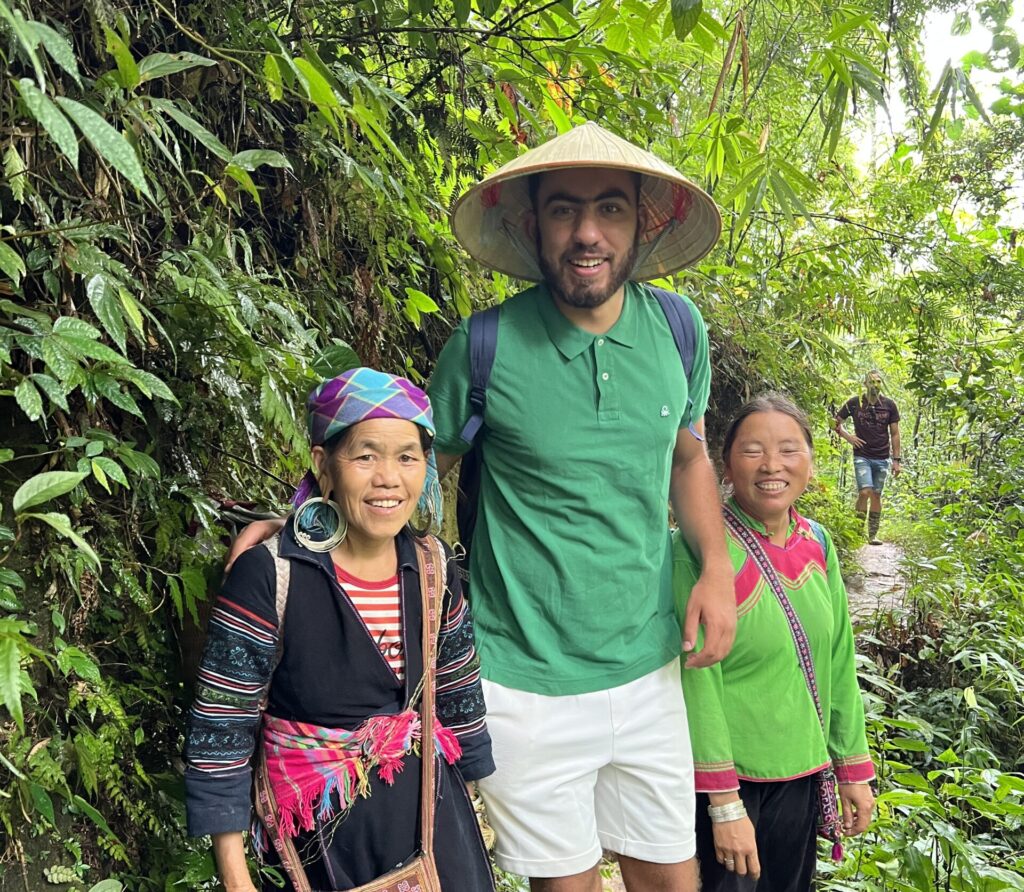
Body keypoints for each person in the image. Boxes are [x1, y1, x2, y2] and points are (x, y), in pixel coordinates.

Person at [231, 121, 737, 891]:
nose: (589, 233)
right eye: (565, 210)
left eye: (611, 209)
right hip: (519, 676)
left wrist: (716, 569)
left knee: (672, 878)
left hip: (649, 667)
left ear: (645, 222)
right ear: (532, 225)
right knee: (563, 883)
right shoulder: (484, 346)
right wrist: (301, 526)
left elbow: (690, 453)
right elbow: (407, 472)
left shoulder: (678, 330)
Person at [184, 368, 495, 891]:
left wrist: (485, 818)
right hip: (320, 843)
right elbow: (221, 732)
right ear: (323, 465)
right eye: (365, 455)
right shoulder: (272, 575)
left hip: (434, 828)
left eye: (407, 457)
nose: (389, 479)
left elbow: (460, 700)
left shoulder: (434, 566)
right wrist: (237, 879)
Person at [675, 394, 876, 891]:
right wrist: (723, 805)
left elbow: (837, 659)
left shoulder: (818, 543)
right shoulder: (698, 548)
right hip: (728, 783)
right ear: (724, 465)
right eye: (752, 451)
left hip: (803, 776)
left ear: (810, 460)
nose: (772, 465)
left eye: (789, 449)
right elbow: (694, 679)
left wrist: (853, 767)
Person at [834, 370, 901, 544]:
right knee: (865, 492)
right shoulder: (855, 403)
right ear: (865, 384)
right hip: (862, 455)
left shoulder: (889, 405)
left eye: (878, 382)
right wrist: (849, 437)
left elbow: (894, 434)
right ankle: (857, 533)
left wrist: (896, 460)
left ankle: (872, 535)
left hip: (882, 456)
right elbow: (835, 422)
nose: (875, 385)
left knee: (876, 495)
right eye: (872, 382)